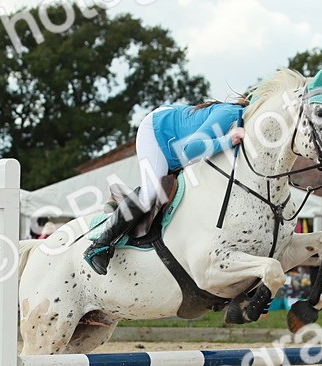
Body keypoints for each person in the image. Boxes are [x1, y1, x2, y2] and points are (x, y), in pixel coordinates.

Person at [84, 98, 247, 275]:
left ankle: (120, 197)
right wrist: (228, 140)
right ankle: (99, 245)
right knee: (152, 192)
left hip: (174, 143)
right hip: (157, 131)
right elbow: (191, 149)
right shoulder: (231, 114)